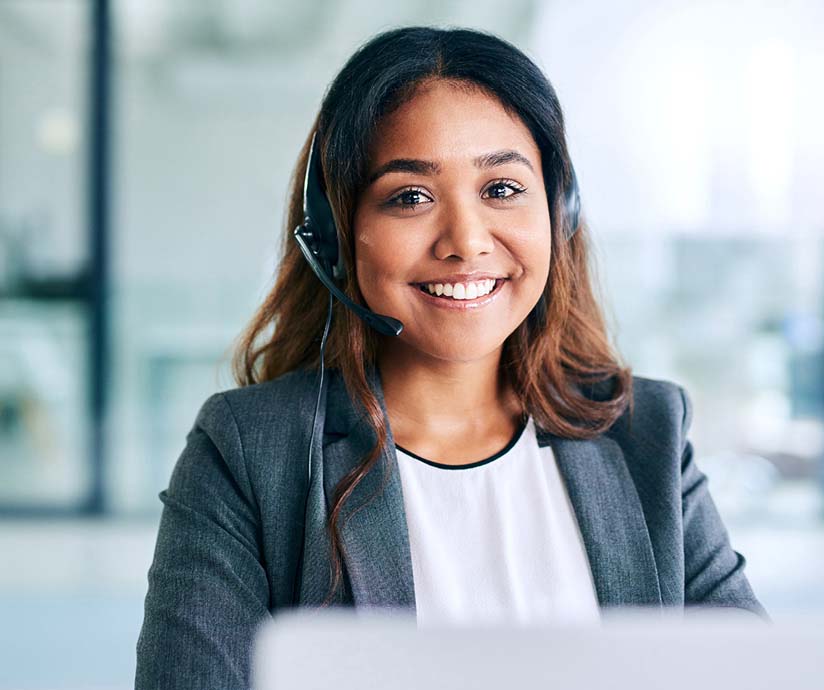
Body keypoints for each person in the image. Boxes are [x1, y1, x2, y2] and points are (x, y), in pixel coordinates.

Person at [135, 25, 769, 689]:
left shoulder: (645, 430)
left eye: (501, 189)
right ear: (336, 236)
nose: (466, 242)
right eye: (410, 197)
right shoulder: (250, 453)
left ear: (560, 214)